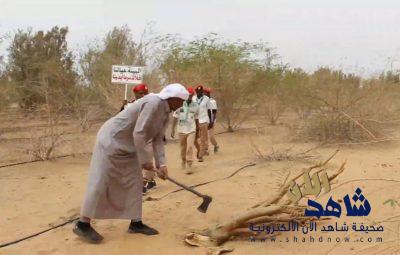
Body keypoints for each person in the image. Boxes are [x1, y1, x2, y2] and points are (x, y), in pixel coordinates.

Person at [73, 83, 189, 243]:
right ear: (173, 98)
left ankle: (136, 223)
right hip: (111, 141)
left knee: (135, 182)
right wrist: (146, 161)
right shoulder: (153, 103)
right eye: (181, 101)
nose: (182, 104)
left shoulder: (165, 112)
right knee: (101, 180)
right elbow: (140, 133)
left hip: (130, 145)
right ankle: (82, 224)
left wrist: (162, 164)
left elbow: (157, 140)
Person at [119, 84, 156, 193]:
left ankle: (149, 180)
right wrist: (123, 106)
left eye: (145, 93)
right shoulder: (131, 105)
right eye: (141, 93)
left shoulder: (152, 103)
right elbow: (121, 117)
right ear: (135, 94)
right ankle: (142, 184)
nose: (143, 95)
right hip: (136, 136)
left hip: (149, 135)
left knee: (147, 158)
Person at [171, 87, 199, 174]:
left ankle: (189, 165)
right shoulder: (179, 104)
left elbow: (196, 118)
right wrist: (172, 129)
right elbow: (175, 117)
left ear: (193, 95)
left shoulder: (196, 105)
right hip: (181, 130)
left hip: (191, 129)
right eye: (188, 95)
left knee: (190, 147)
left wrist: (197, 130)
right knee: (183, 148)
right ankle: (183, 160)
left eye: (191, 95)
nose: (189, 97)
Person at [192, 85, 211, 162]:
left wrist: (211, 121)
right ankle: (200, 149)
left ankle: (200, 155)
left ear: (202, 91)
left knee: (203, 138)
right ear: (196, 92)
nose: (199, 93)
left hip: (204, 120)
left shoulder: (206, 99)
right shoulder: (193, 98)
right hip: (195, 120)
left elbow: (209, 110)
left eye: (200, 92)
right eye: (197, 92)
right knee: (194, 138)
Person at [204, 88, 219, 153]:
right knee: (204, 137)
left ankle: (216, 145)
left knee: (211, 136)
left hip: (211, 121)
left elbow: (214, 112)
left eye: (204, 93)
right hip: (204, 120)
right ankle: (206, 150)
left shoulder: (212, 101)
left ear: (207, 93)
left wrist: (212, 122)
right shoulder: (202, 101)